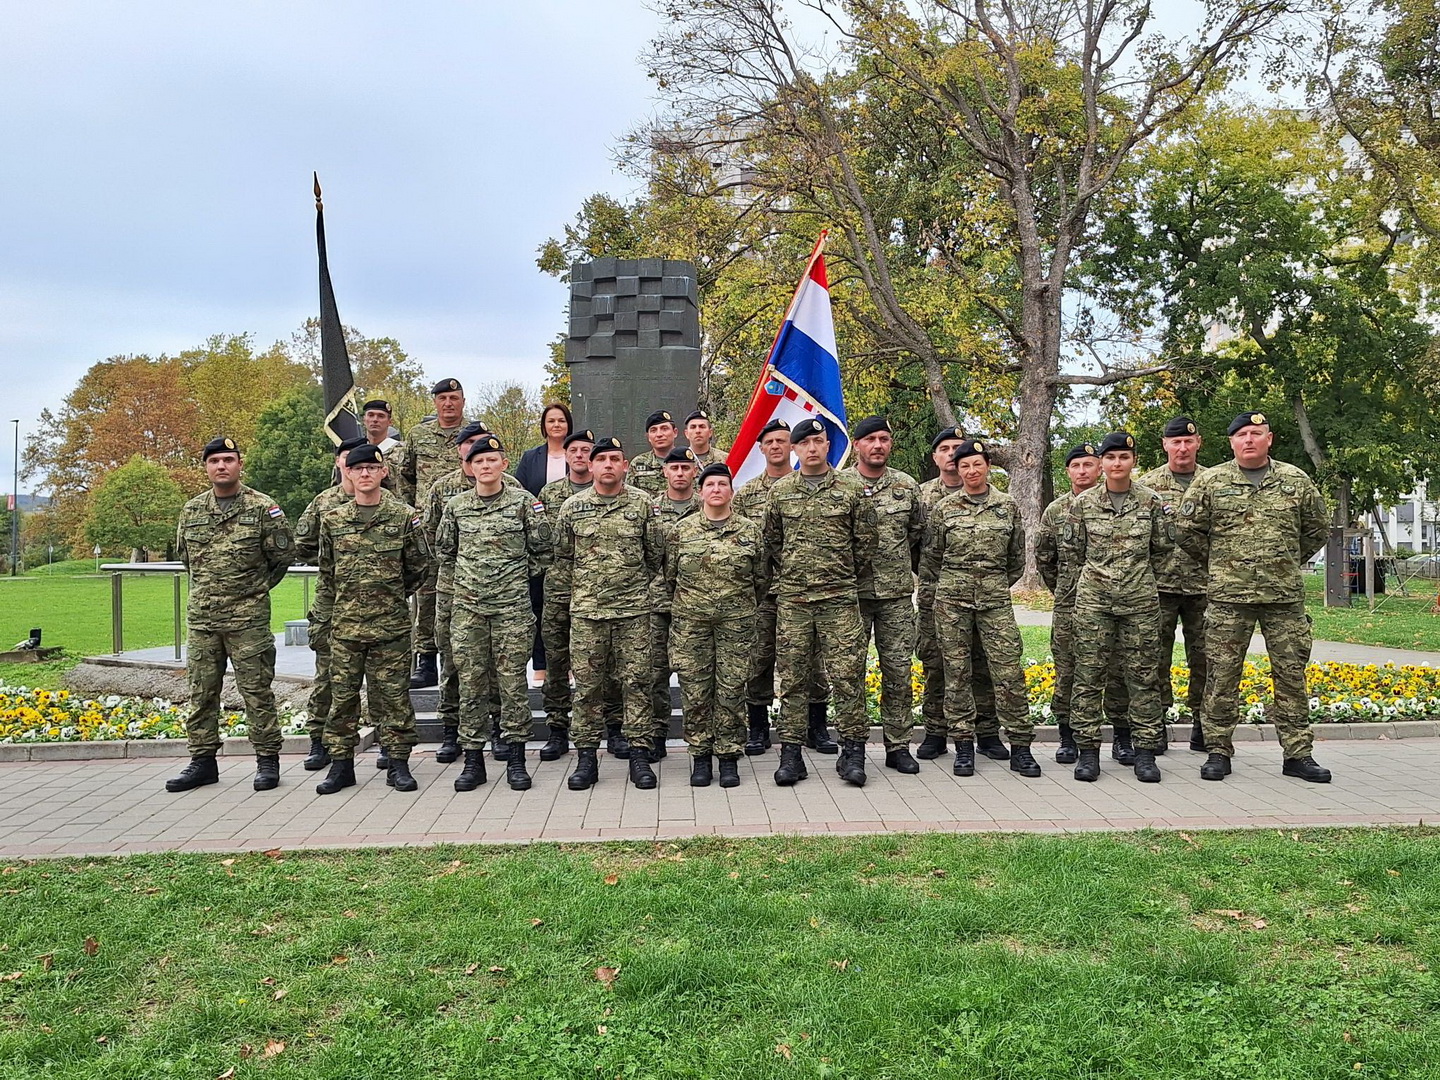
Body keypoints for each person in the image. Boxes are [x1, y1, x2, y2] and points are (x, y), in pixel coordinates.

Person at [1177, 411, 1333, 783]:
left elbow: (1317, 529)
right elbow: (1186, 531)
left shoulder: (1295, 480)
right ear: (1231, 442)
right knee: (1221, 676)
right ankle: (1217, 750)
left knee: (1292, 675)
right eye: (1242, 434)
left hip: (1283, 598)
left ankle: (1298, 753)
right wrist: (1220, 564)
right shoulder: (1211, 482)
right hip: (1229, 597)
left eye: (1256, 434)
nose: (1249, 440)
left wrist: (1285, 561)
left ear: (1270, 439)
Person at [165, 437, 295, 794]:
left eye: (228, 459)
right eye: (214, 461)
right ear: (206, 467)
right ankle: (202, 761)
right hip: (203, 620)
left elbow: (281, 558)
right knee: (201, 692)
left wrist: (252, 590)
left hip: (247, 620)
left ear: (240, 464)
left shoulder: (262, 508)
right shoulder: (191, 511)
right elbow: (187, 559)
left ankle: (267, 760)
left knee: (256, 692)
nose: (221, 466)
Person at [762, 418, 878, 787]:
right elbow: (772, 543)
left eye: (818, 441)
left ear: (829, 446)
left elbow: (865, 542)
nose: (812, 448)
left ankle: (853, 754)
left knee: (847, 677)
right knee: (794, 679)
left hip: (839, 600)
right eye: (805, 443)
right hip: (794, 600)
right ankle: (792, 755)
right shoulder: (780, 493)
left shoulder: (850, 490)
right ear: (794, 450)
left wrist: (839, 575)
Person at [437, 434, 554, 792]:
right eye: (479, 462)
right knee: (471, 685)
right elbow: (445, 550)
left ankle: (516, 761)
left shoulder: (524, 503)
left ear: (504, 464)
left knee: (511, 685)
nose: (486, 466)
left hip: (512, 610)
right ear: (470, 468)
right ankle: (473, 761)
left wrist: (511, 577)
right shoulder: (456, 506)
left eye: (492, 460)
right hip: (469, 611)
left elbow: (543, 551)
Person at [314, 444, 432, 794]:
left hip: (391, 626)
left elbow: (418, 568)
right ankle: (341, 766)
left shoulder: (403, 517)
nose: (365, 474)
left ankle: (397, 764)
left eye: (372, 468)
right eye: (358, 468)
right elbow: (327, 573)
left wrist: (389, 596)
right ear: (347, 473)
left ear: (384, 473)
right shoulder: (333, 520)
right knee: (343, 697)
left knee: (393, 697)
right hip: (346, 626)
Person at [919, 439, 1040, 778]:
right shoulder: (945, 508)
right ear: (957, 470)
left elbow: (1017, 559)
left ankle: (1021, 747)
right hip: (952, 604)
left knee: (1008, 674)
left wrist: (993, 584)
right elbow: (931, 559)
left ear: (988, 465)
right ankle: (963, 746)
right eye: (964, 465)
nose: (971, 471)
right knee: (956, 674)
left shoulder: (1007, 506)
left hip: (994, 602)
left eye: (977, 464)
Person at [549, 436, 666, 790]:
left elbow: (654, 554)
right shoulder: (572, 507)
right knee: (587, 688)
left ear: (625, 465)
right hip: (587, 614)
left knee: (637, 685)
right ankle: (586, 758)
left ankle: (640, 757)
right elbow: (563, 558)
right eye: (602, 460)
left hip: (633, 613)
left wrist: (628, 586)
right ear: (590, 465)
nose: (609, 465)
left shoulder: (643, 505)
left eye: (616, 458)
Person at [1063, 432, 1173, 783]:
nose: (1116, 464)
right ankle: (1088, 752)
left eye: (1123, 457)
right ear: (1102, 464)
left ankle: (1144, 753)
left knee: (1143, 677)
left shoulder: (1151, 501)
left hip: (1139, 602)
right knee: (1088, 676)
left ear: (1133, 461)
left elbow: (1162, 547)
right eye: (1110, 458)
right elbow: (1073, 553)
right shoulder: (1083, 504)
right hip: (1094, 602)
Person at [735, 419, 835, 757]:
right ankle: (759, 728)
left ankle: (816, 726)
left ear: (791, 446)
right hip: (764, 593)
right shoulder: (746, 493)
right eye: (770, 441)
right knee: (759, 659)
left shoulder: (811, 485)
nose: (776, 446)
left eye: (782, 440)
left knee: (813, 659)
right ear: (761, 448)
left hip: (807, 589)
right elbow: (746, 542)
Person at [666, 463, 767, 787]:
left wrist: (737, 605)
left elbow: (761, 578)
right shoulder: (682, 531)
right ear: (700, 491)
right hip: (691, 625)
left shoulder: (749, 531)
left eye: (723, 484)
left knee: (731, 690)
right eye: (710, 484)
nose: (716, 490)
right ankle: (699, 756)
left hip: (735, 626)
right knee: (695, 692)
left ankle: (728, 756)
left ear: (731, 492)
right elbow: (670, 577)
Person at [915, 427, 1007, 763]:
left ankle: (987, 733)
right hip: (934, 594)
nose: (953, 455)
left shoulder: (999, 502)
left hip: (984, 596)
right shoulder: (922, 496)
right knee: (937, 664)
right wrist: (937, 585)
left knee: (983, 662)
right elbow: (920, 549)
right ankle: (935, 732)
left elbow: (1013, 560)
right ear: (936, 457)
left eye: (959, 448)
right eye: (946, 449)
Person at [1035, 442, 1130, 764]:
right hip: (1069, 603)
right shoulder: (1056, 511)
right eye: (1076, 466)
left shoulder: (1119, 504)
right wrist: (1064, 588)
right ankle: (1067, 737)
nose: (1082, 471)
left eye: (1088, 465)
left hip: (1114, 602)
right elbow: (1044, 558)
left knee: (1118, 668)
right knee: (1068, 670)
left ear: (1099, 467)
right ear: (1067, 471)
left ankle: (1122, 736)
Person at [842, 416, 925, 774]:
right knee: (848, 672)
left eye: (885, 439)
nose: (878, 445)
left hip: (894, 596)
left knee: (898, 671)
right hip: (850, 596)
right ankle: (852, 746)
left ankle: (898, 745)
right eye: (870, 439)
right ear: (856, 444)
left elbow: (918, 535)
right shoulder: (840, 485)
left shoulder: (906, 487)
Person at [292, 435, 366, 773]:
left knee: (382, 682)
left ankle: (387, 745)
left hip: (374, 604)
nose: (354, 467)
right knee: (327, 676)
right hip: (332, 603)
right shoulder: (323, 503)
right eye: (347, 458)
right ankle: (320, 741)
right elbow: (301, 544)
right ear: (339, 463)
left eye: (362, 460)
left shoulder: (387, 504)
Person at [1139, 416, 1211, 753]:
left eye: (1188, 441)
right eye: (1175, 441)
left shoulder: (1215, 482)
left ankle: (1203, 723)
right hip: (1159, 586)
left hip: (1206, 587)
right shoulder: (1147, 487)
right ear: (1165, 444)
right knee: (1153, 657)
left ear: (1198, 443)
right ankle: (1155, 725)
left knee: (1207, 658)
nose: (1182, 447)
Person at [421, 420, 491, 766]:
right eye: (471, 443)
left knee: (493, 664)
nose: (477, 448)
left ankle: (496, 729)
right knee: (452, 661)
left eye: (484, 442)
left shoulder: (509, 488)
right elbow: (433, 537)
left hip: (498, 594)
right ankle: (451, 730)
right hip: (453, 590)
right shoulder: (442, 489)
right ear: (460, 450)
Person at [399, 378, 468, 689]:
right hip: (427, 530)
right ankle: (425, 659)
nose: (448, 404)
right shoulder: (418, 435)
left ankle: (461, 657)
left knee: (461, 594)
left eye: (453, 398)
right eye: (442, 398)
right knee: (425, 597)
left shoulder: (475, 434)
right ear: (435, 402)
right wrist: (415, 510)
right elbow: (405, 477)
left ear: (463, 401)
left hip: (467, 527)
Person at [537, 428, 596, 760]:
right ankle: (558, 729)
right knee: (557, 661)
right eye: (573, 450)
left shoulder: (607, 491)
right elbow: (541, 541)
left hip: (600, 593)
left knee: (603, 662)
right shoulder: (549, 493)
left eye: (585, 450)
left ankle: (610, 727)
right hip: (559, 589)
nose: (579, 455)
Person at [515, 402, 575, 688]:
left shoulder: (579, 454)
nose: (556, 425)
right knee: (538, 604)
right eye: (551, 421)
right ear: (544, 425)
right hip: (541, 545)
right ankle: (540, 665)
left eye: (561, 420)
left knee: (572, 609)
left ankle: (572, 665)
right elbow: (519, 492)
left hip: (575, 544)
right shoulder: (531, 458)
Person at [648, 447, 701, 758]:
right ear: (664, 472)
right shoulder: (649, 508)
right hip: (657, 603)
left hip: (695, 605)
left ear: (694, 472)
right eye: (674, 468)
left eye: (685, 467)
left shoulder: (708, 505)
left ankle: (700, 741)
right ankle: (656, 734)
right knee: (654, 673)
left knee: (695, 675)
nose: (680, 473)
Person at [628, 410, 678, 496]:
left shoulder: (688, 461)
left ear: (675, 432)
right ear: (648, 437)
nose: (659, 434)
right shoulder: (637, 463)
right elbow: (629, 496)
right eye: (653, 430)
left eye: (664, 429)